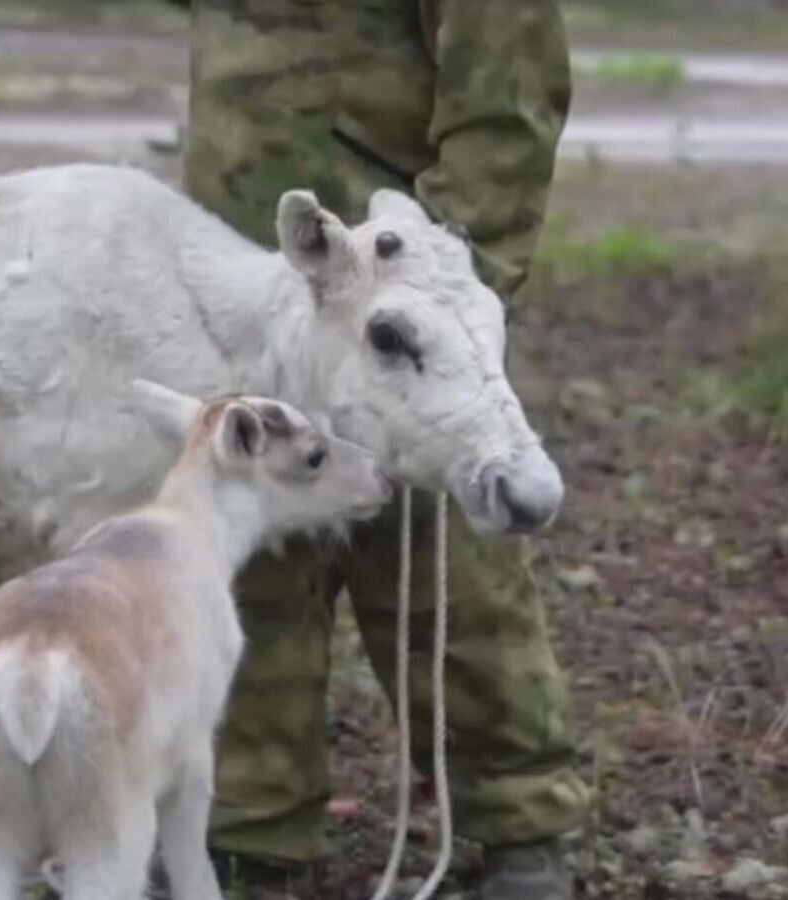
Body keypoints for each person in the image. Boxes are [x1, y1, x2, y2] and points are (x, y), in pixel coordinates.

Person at [182, 2, 590, 898]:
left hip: (385, 282)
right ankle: (246, 824)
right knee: (247, 535)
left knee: (438, 559)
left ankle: (518, 824)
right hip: (238, 270)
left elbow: (507, 89)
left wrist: (447, 272)